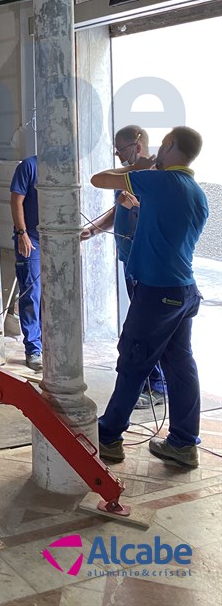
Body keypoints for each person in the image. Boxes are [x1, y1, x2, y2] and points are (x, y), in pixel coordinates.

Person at [91, 126, 208, 469]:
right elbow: (164, 226)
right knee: (179, 364)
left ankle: (109, 437)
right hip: (182, 290)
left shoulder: (160, 181)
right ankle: (184, 443)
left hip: (157, 293)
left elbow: (100, 179)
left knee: (133, 361)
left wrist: (137, 168)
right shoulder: (195, 192)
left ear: (169, 145)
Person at [81, 125, 166, 409]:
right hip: (131, 260)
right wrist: (93, 230)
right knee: (140, 328)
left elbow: (158, 219)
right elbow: (120, 207)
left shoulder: (155, 178)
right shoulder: (134, 176)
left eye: (121, 150)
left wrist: (136, 204)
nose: (118, 156)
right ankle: (152, 383)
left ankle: (157, 385)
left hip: (148, 267)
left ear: (138, 146)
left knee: (145, 330)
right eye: (115, 151)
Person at [10, 155, 42, 372]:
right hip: (32, 239)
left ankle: (53, 345)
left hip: (55, 239)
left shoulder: (67, 167)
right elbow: (16, 200)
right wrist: (22, 234)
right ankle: (33, 348)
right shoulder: (29, 166)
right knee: (31, 293)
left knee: (55, 295)